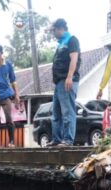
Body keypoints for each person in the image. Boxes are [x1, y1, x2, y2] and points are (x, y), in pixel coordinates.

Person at [46, 18, 81, 147]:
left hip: (67, 80)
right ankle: (57, 139)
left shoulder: (72, 40)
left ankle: (68, 140)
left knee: (67, 112)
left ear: (61, 28)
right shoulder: (61, 43)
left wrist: (69, 77)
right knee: (56, 113)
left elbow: (74, 59)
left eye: (54, 30)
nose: (53, 33)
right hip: (59, 82)